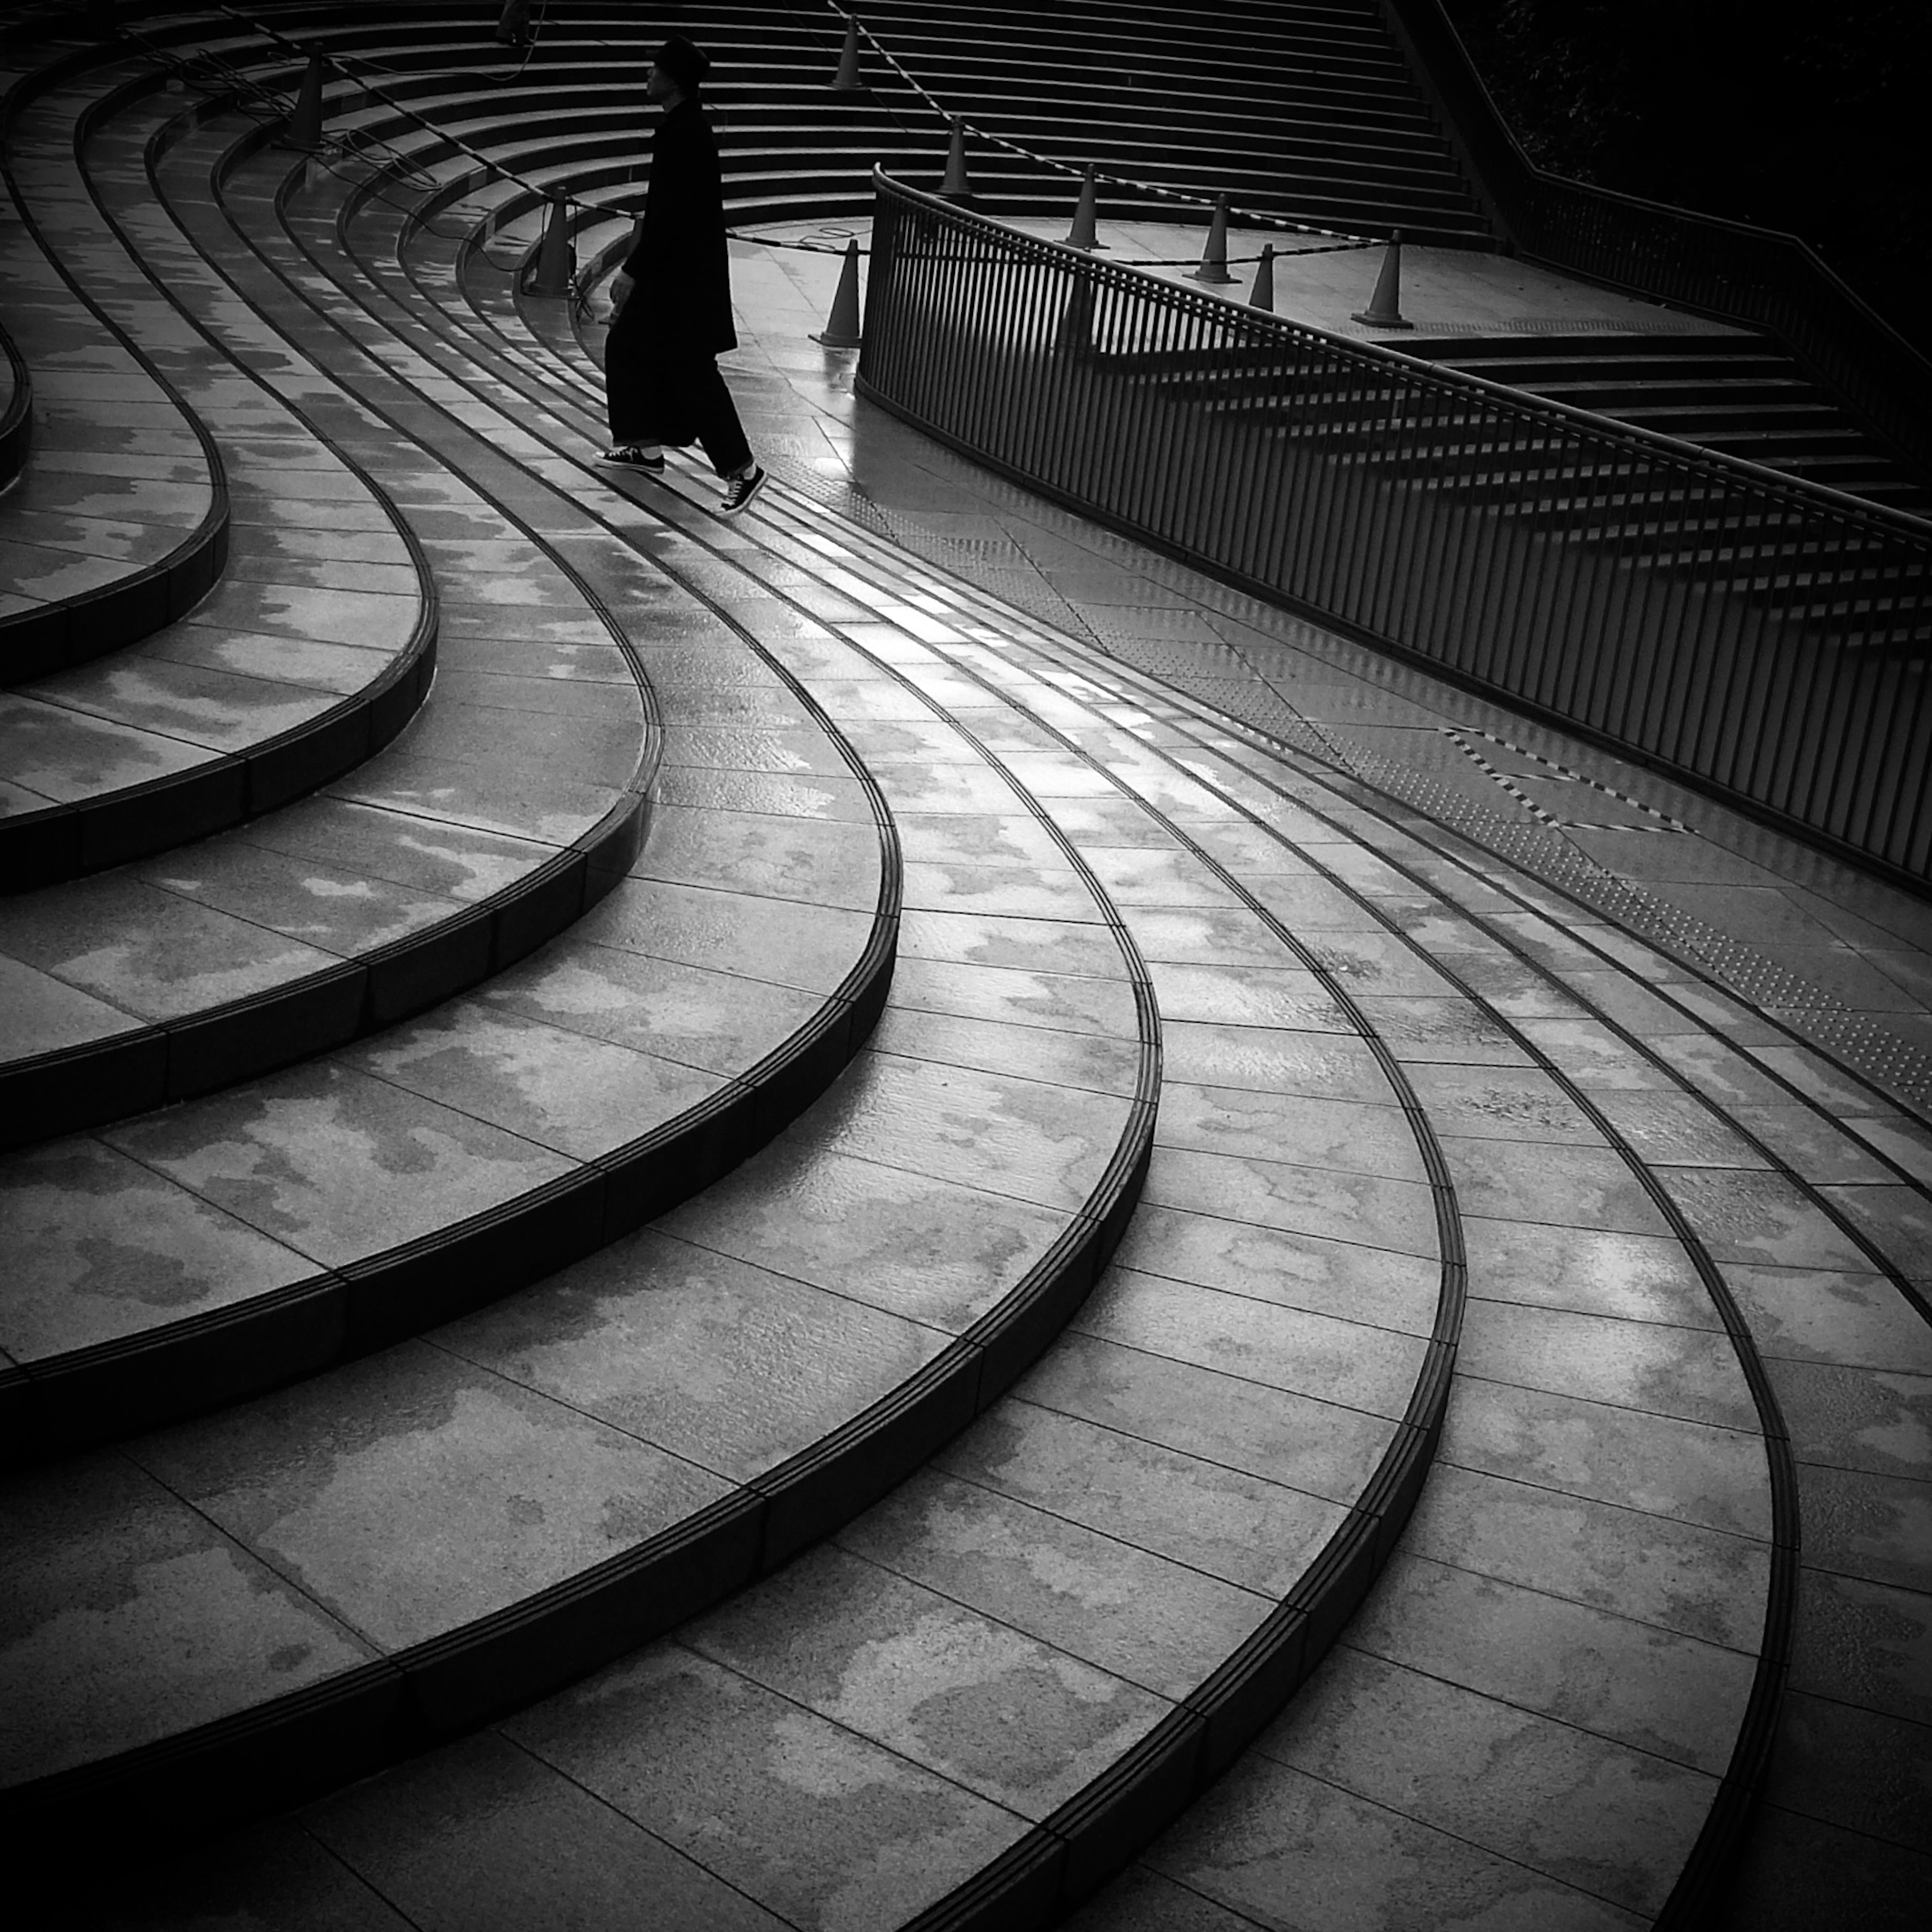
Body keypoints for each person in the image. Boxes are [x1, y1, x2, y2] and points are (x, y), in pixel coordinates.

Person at [598, 35, 766, 516]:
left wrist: (631, 272)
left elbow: (670, 216)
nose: (647, 74)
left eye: (654, 68)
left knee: (693, 374)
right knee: (628, 342)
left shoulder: (686, 133)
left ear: (674, 78)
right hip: (676, 276)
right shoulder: (682, 127)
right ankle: (643, 446)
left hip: (684, 282)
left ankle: (744, 471)